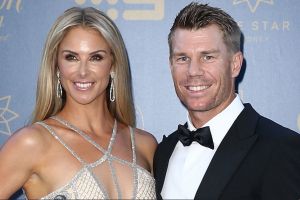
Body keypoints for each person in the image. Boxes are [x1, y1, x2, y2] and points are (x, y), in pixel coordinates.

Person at [0, 7, 157, 199]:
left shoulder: (144, 144)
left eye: (96, 57)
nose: (82, 72)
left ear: (113, 65)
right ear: (56, 65)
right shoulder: (32, 143)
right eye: (71, 57)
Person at [153, 2, 300, 200]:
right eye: (182, 58)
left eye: (208, 57)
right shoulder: (163, 151)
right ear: (171, 65)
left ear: (235, 64)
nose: (193, 71)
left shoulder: (281, 148)